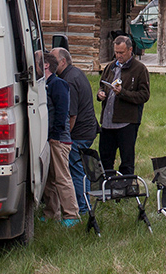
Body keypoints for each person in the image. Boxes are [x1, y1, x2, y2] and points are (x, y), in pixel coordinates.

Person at [97, 36, 151, 176]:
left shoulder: (139, 69)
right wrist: (101, 94)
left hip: (126, 122)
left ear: (130, 50)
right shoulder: (110, 67)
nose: (118, 56)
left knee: (127, 159)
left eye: (121, 52)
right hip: (107, 122)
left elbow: (144, 96)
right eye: (116, 52)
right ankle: (107, 185)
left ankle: (126, 186)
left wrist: (123, 93)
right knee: (105, 157)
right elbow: (102, 85)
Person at [54, 48, 96, 216]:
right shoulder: (75, 73)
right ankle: (85, 204)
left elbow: (71, 115)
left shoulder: (69, 81)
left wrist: (65, 139)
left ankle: (83, 208)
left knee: (75, 170)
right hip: (88, 130)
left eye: (54, 60)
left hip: (79, 133)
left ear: (63, 62)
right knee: (80, 169)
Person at [41, 51, 80, 226]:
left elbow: (62, 111)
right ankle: (51, 212)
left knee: (62, 178)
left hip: (58, 140)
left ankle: (72, 215)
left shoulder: (58, 84)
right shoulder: (45, 84)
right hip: (49, 139)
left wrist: (55, 136)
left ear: (46, 65)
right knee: (50, 179)